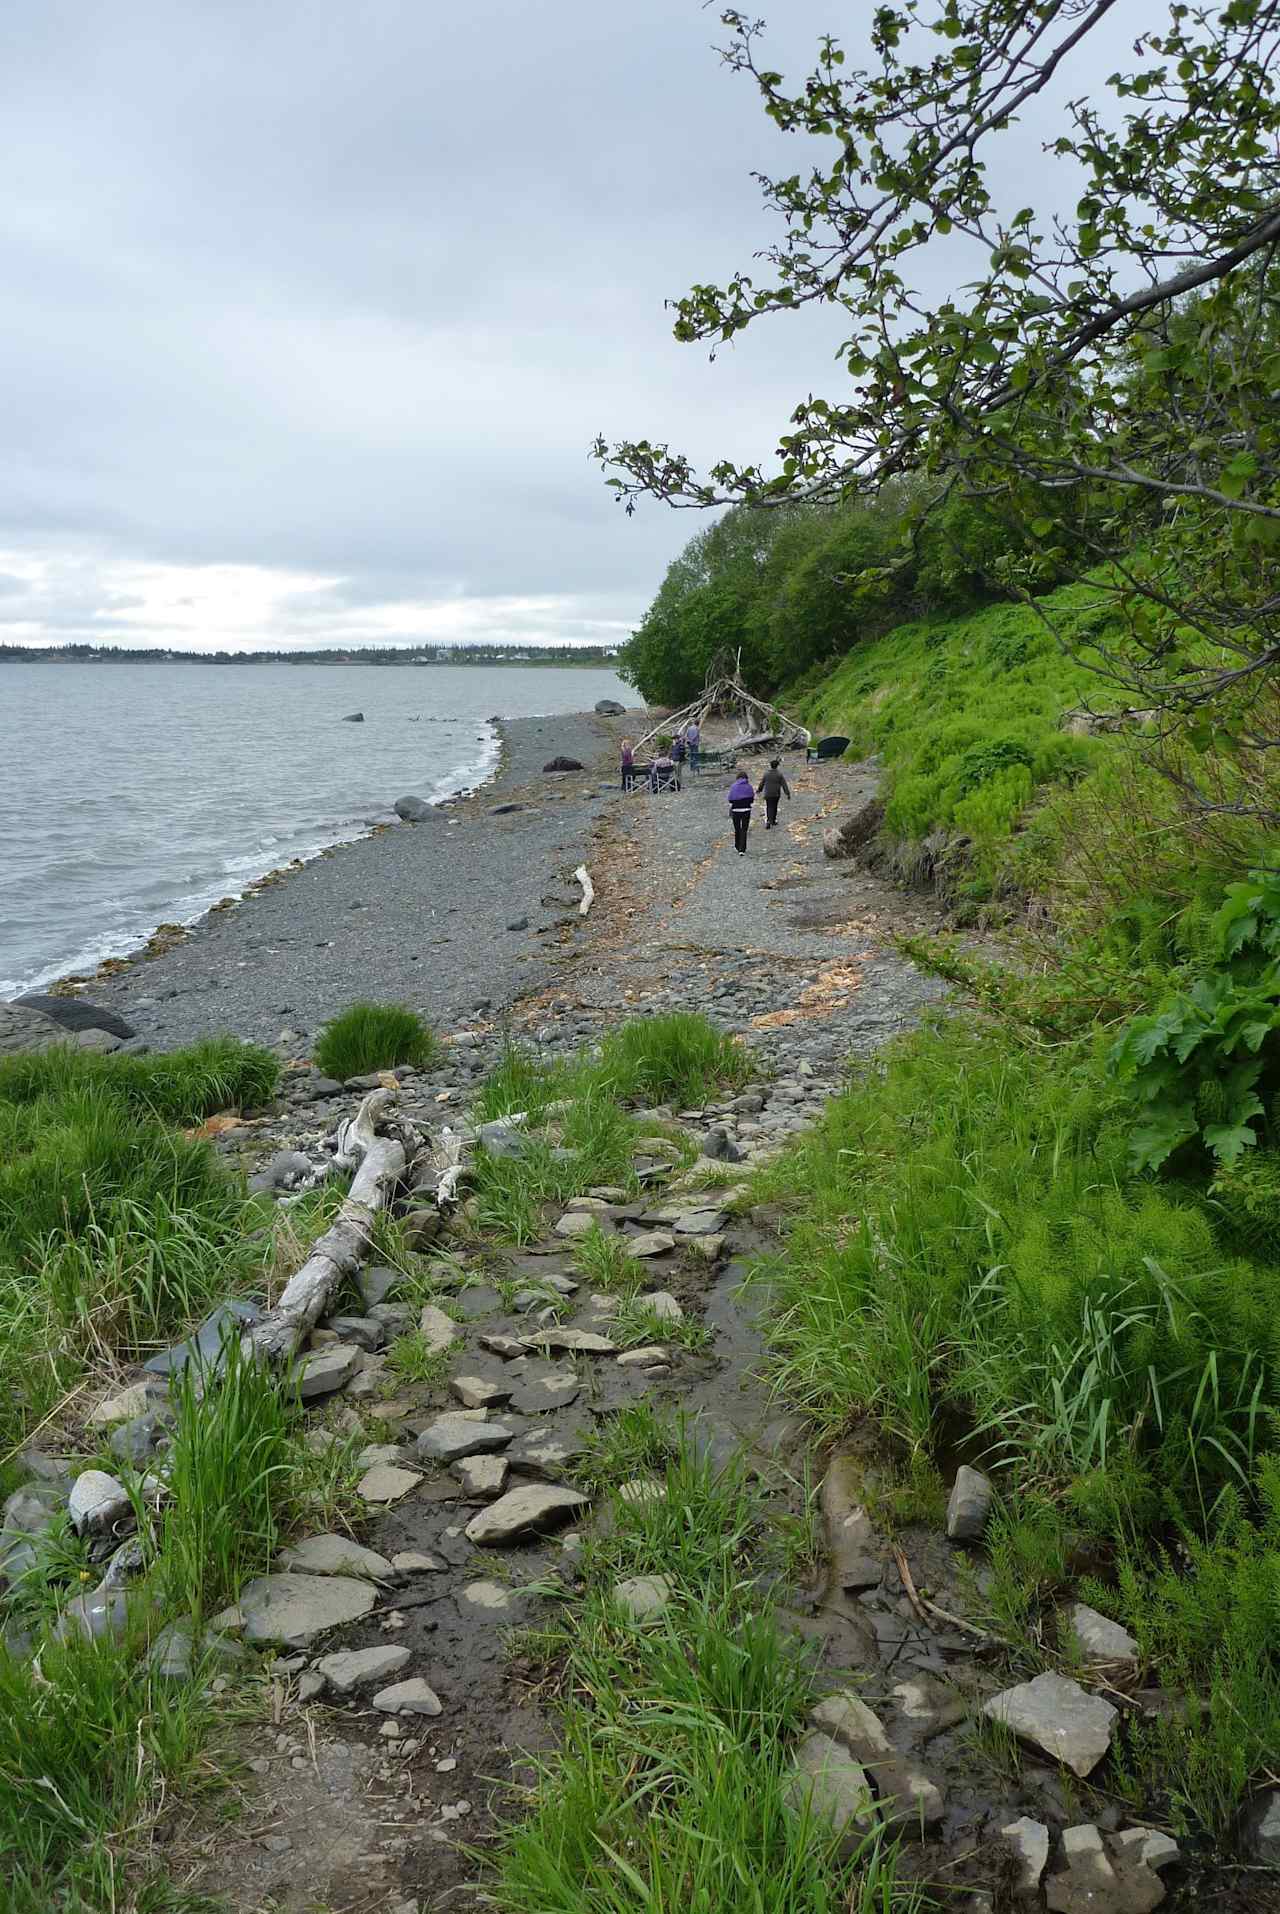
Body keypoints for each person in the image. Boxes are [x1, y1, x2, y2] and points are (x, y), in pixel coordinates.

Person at [757, 757, 791, 829]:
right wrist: (787, 793)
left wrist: (759, 790)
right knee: (774, 806)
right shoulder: (779, 774)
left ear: (770, 765)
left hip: (768, 793)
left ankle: (768, 820)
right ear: (777, 766)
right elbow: (784, 785)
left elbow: (762, 783)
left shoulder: (766, 774)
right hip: (776, 794)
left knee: (769, 806)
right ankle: (773, 820)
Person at [727, 766, 755, 854]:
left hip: (735, 810)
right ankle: (742, 849)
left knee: (737, 828)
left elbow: (730, 799)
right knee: (744, 829)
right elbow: (752, 799)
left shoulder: (733, 786)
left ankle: (737, 845)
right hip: (746, 810)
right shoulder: (749, 786)